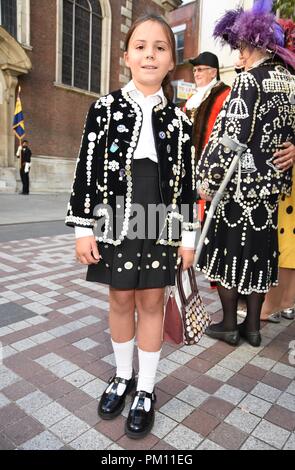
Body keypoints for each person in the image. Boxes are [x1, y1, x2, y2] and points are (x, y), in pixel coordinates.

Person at [66, 14, 197, 439]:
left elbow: (186, 185)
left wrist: (187, 236)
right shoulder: (103, 110)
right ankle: (122, 376)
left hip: (161, 220)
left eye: (160, 47)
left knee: (152, 301)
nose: (149, 54)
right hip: (115, 217)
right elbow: (86, 170)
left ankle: (145, 388)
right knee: (121, 299)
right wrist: (83, 228)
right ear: (125, 56)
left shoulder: (180, 123)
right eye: (140, 46)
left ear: (171, 60)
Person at [195, 0, 295, 348]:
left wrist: (205, 182)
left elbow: (229, 138)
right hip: (270, 193)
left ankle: (228, 324)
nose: (238, 56)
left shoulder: (249, 81)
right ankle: (253, 327)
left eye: (241, 48)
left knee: (228, 256)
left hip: (238, 190)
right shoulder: (291, 82)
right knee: (259, 257)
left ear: (255, 44)